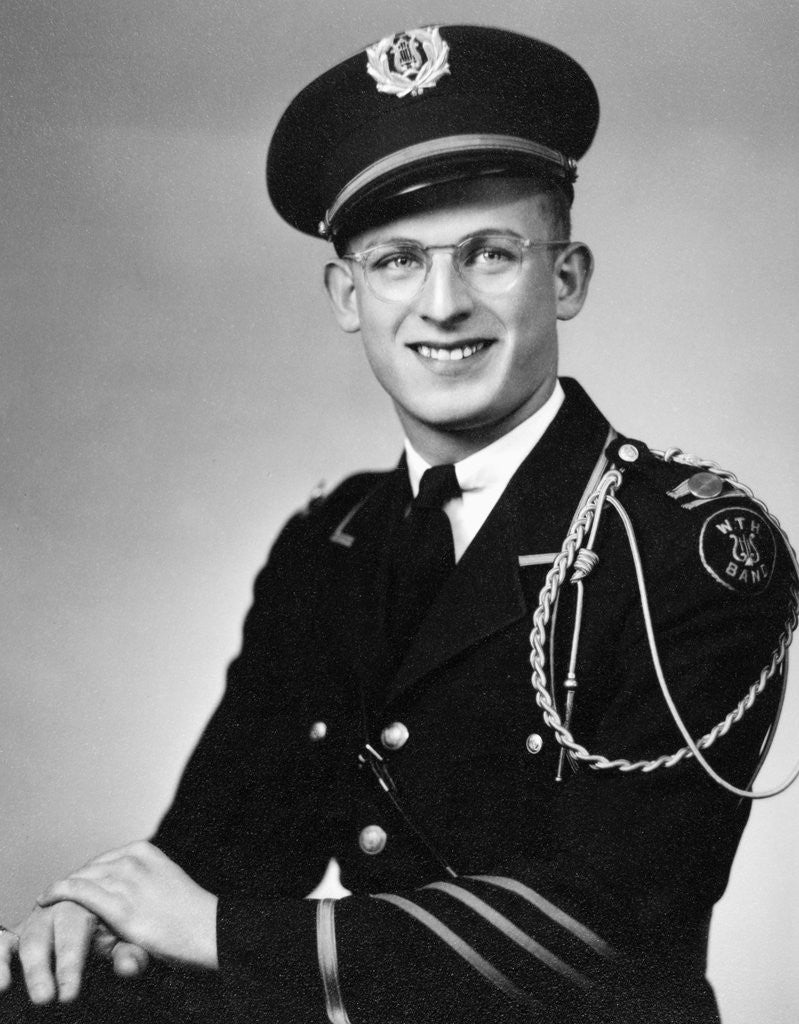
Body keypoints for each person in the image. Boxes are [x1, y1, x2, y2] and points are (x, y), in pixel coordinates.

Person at [0, 23, 796, 1024]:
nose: (443, 303)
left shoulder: (685, 549)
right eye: (395, 262)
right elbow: (223, 843)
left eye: (490, 254)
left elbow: (615, 931)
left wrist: (218, 931)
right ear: (347, 294)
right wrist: (95, 919)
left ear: (566, 277)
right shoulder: (328, 547)